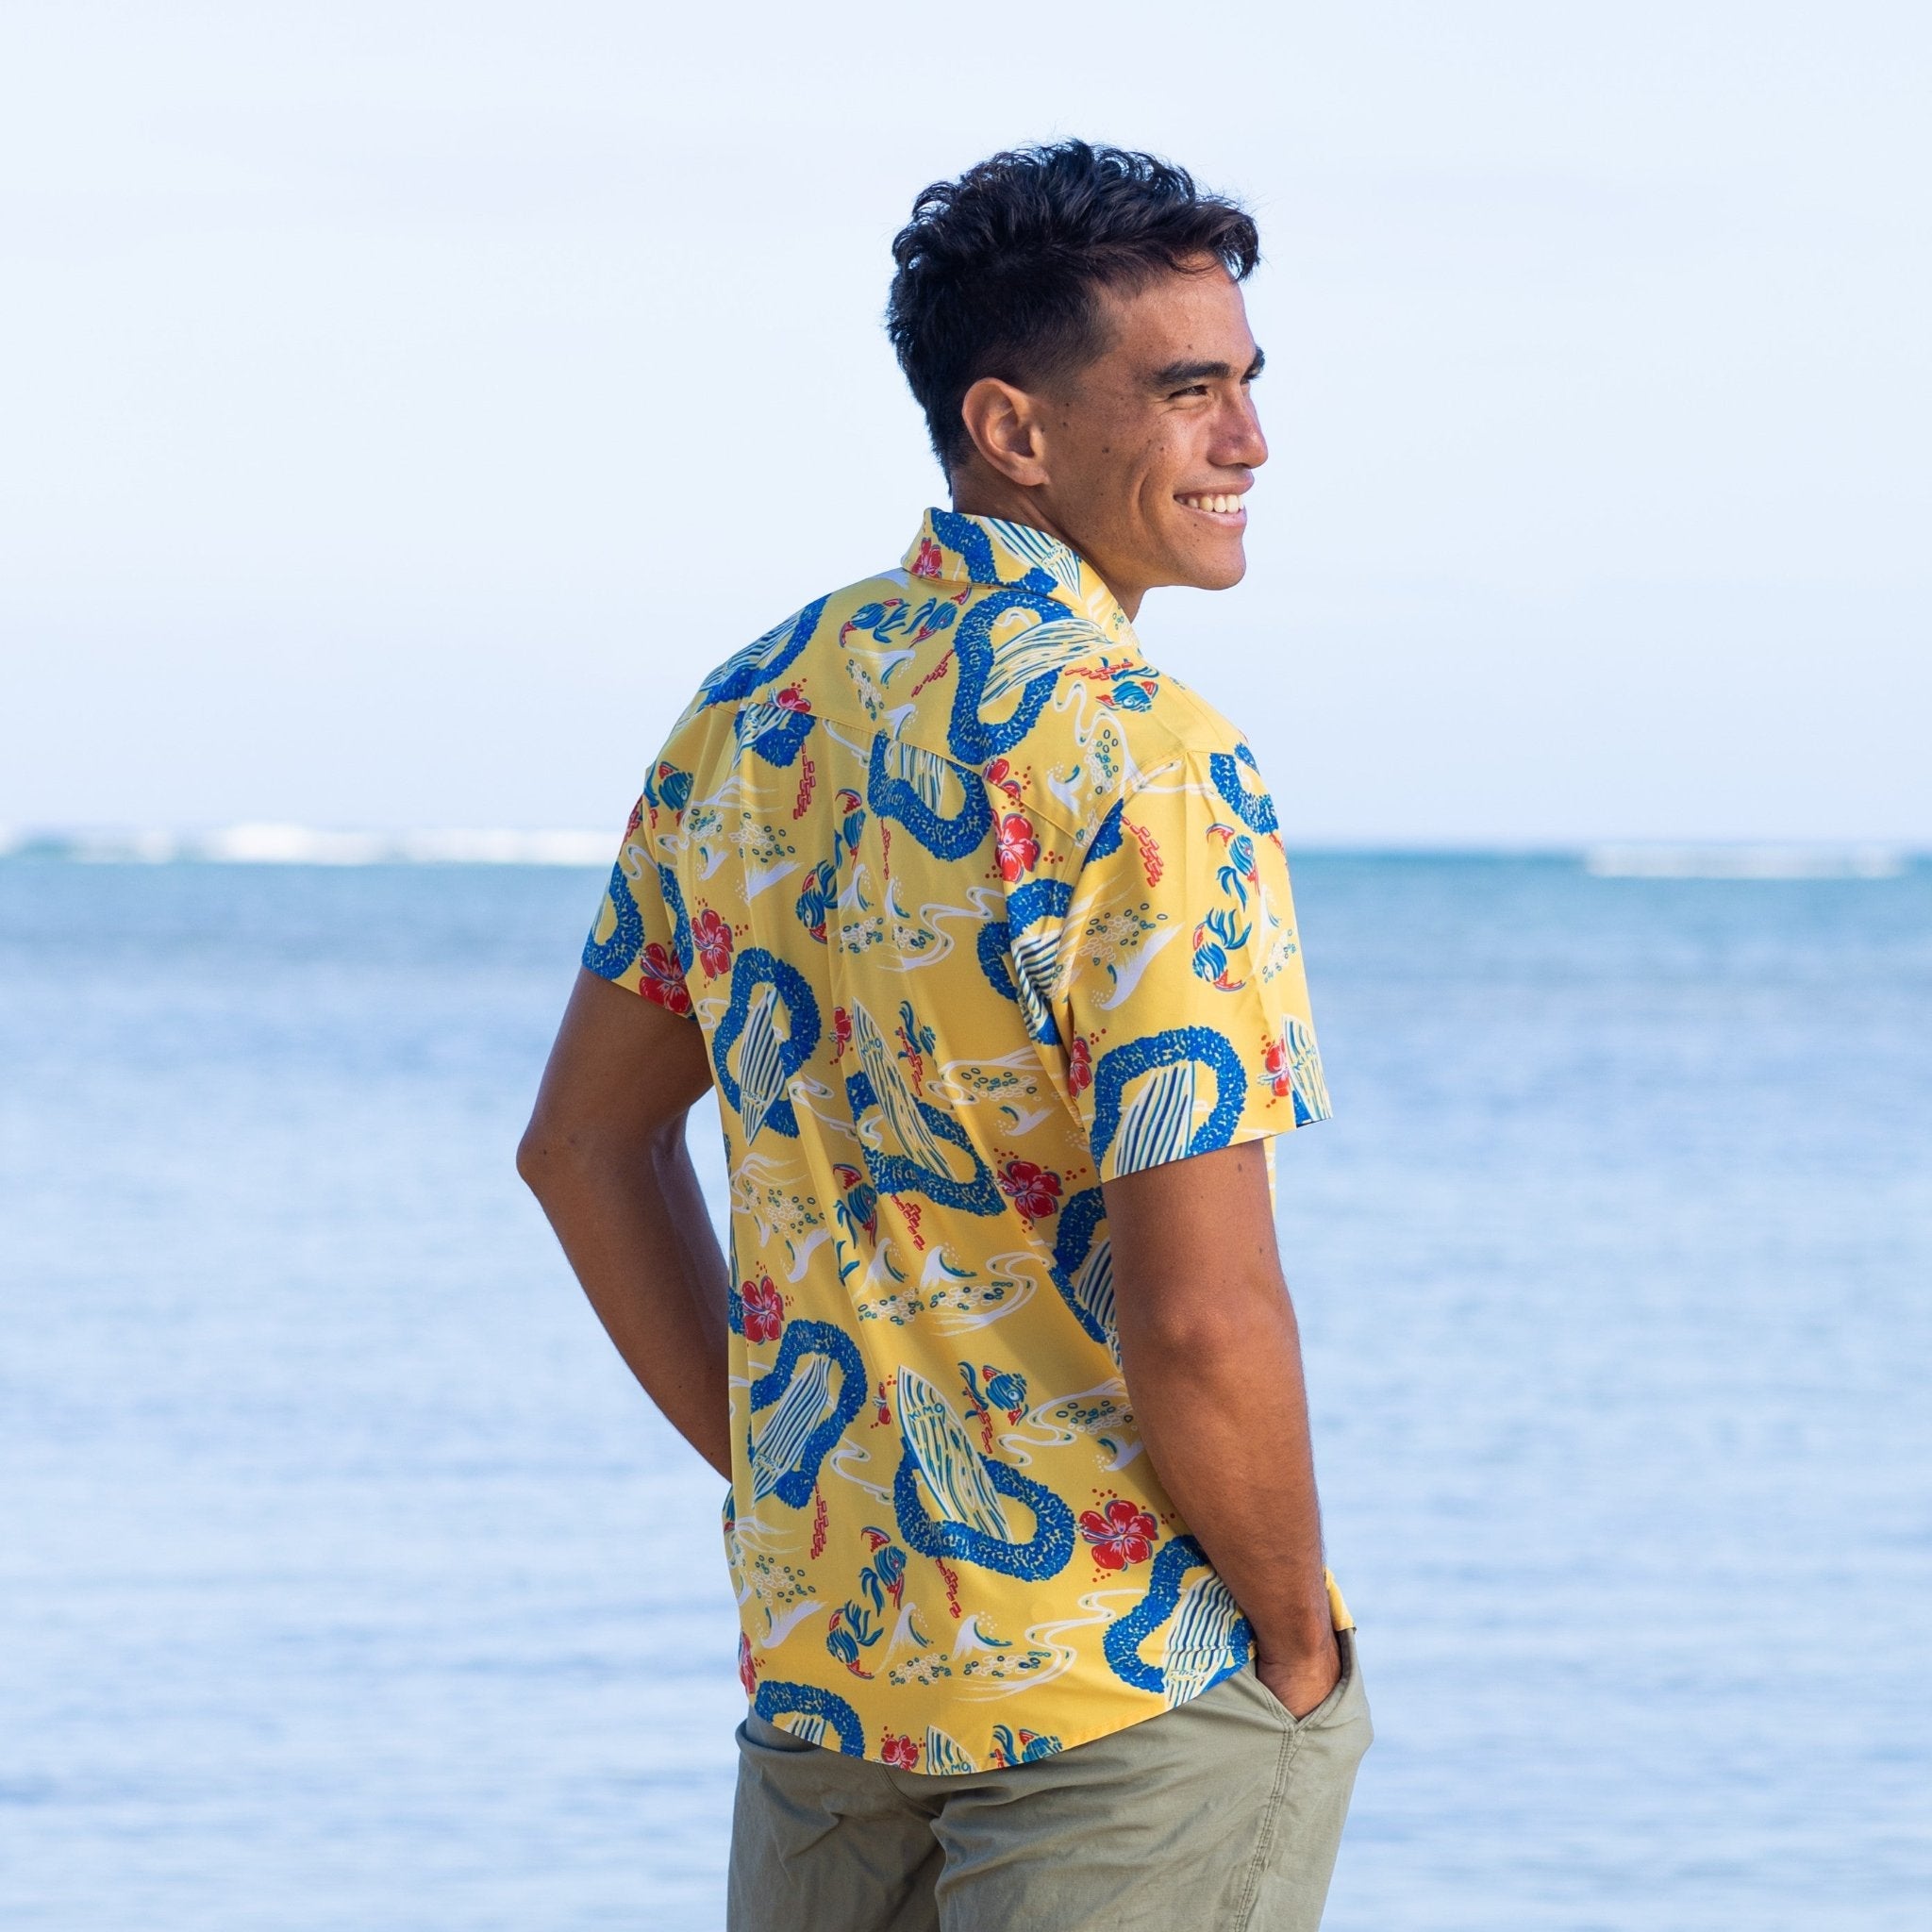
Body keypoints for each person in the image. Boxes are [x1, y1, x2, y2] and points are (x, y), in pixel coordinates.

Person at [519, 140, 1369, 1932]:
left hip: (834, 1675)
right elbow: (1205, 1309)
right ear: (1017, 427)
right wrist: (1298, 1651)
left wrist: (790, 1478)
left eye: (1248, 384)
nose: (1251, 442)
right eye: (1189, 390)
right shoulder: (1150, 760)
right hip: (1119, 1700)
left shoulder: (750, 712)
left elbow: (580, 1150)